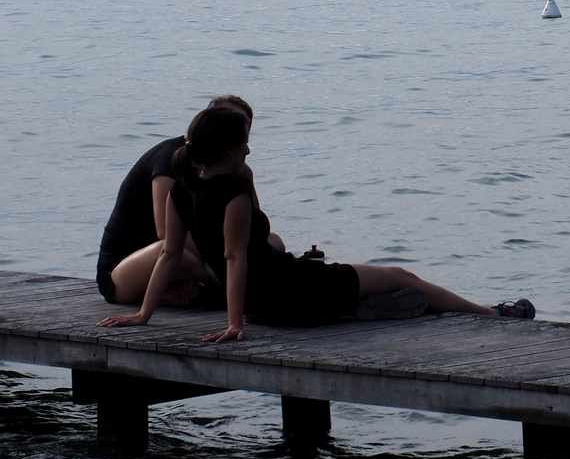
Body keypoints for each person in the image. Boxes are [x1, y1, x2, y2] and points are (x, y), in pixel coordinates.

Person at [97, 104, 533, 343]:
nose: (249, 153)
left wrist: (143, 315)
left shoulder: (178, 191)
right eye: (245, 145)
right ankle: (494, 313)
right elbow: (234, 258)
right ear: (229, 150)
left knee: (365, 282)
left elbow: (171, 255)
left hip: (267, 307)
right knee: (401, 275)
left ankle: (355, 307)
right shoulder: (233, 191)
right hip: (293, 295)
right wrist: (234, 326)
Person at [96, 95, 278, 306]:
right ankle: (221, 286)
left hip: (201, 254)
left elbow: (252, 229)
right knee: (179, 254)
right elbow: (165, 232)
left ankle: (200, 289)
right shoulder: (169, 160)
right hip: (127, 268)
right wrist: (220, 257)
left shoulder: (238, 171)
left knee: (273, 242)